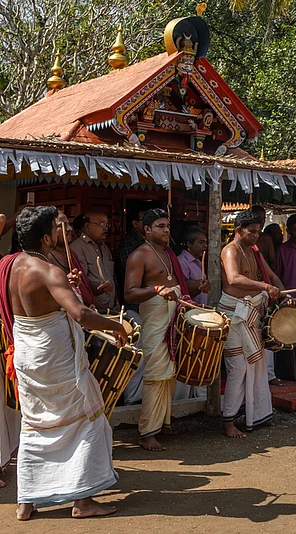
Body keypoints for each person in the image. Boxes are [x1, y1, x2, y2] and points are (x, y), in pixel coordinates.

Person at [0, 206, 126, 519]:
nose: (62, 234)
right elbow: (81, 314)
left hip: (28, 355)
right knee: (87, 421)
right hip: (56, 359)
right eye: (58, 230)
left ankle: (26, 501)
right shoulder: (48, 271)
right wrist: (117, 326)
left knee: (35, 425)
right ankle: (83, 502)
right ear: (45, 237)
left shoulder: (8, 265)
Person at [124, 209, 189, 452]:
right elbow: (129, 293)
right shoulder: (139, 256)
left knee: (169, 374)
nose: (166, 230)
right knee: (154, 376)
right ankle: (147, 432)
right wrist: (157, 290)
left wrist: (193, 286)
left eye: (167, 226)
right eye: (160, 226)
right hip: (155, 321)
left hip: (173, 317)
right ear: (147, 229)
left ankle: (162, 422)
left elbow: (174, 283)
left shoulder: (168, 252)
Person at [218, 211, 283, 438]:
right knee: (237, 368)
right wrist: (264, 287)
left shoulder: (253, 251)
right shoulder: (230, 250)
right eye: (252, 232)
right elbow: (234, 278)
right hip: (233, 315)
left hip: (250, 314)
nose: (257, 236)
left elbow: (272, 276)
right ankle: (228, 421)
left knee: (256, 365)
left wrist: (284, 296)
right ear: (239, 231)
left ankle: (257, 415)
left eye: (258, 231)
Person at [70, 211, 117, 311]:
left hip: (112, 308)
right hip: (94, 309)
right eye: (101, 225)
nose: (106, 228)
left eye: (107, 225)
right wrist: (101, 308)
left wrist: (116, 303)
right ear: (87, 226)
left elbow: (112, 278)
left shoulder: (104, 248)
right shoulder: (77, 248)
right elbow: (82, 285)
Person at [48, 211, 96, 306]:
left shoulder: (71, 254)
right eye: (62, 225)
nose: (69, 229)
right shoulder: (46, 258)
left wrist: (100, 289)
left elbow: (83, 288)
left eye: (69, 225)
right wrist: (65, 282)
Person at [116, 208, 147, 312]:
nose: (149, 223)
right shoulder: (129, 243)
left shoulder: (151, 242)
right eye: (145, 219)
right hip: (135, 304)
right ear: (135, 223)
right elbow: (129, 273)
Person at [178, 227, 211, 305]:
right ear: (189, 244)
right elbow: (182, 288)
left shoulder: (197, 261)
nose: (205, 246)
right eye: (201, 242)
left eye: (206, 243)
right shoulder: (182, 261)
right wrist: (200, 285)